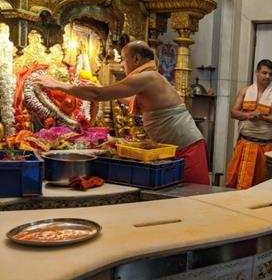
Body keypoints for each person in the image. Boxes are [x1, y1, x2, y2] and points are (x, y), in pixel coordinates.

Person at [35, 40, 210, 185]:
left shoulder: (147, 77)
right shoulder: (150, 77)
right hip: (177, 147)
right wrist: (103, 90)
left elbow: (98, 95)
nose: (121, 64)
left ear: (136, 58)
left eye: (123, 59)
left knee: (194, 198)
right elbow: (131, 101)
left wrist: (58, 84)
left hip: (188, 148)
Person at [226, 59, 272, 189]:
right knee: (241, 183)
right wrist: (249, 115)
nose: (268, 77)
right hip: (245, 144)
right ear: (257, 73)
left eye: (271, 74)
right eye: (264, 73)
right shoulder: (245, 91)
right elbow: (233, 113)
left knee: (263, 186)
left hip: (266, 147)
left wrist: (264, 118)